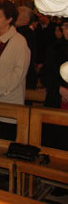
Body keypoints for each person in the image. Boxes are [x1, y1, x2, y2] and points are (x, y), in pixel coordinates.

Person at [0, 0, 30, 141]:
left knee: (4, 140)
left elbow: (19, 72)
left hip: (7, 98)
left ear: (9, 19)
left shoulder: (19, 41)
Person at [41, 18, 68, 150]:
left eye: (67, 27)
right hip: (57, 99)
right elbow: (46, 74)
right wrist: (58, 88)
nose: (65, 31)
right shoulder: (54, 48)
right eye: (63, 28)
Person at [16, 6, 38, 89]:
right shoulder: (20, 31)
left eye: (17, 14)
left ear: (26, 19)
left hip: (25, 75)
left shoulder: (26, 33)